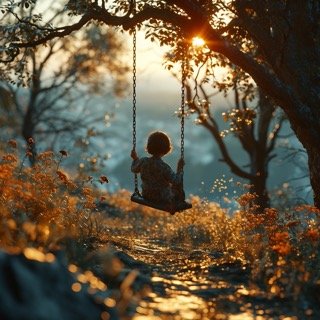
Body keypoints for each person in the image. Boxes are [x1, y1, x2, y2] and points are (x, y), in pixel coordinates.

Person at [131, 131, 185, 209]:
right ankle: (177, 204)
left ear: (149, 147)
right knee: (178, 190)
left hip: (146, 195)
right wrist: (179, 168)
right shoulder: (164, 167)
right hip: (163, 198)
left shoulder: (143, 161)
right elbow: (176, 181)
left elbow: (134, 169)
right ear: (167, 149)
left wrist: (135, 159)